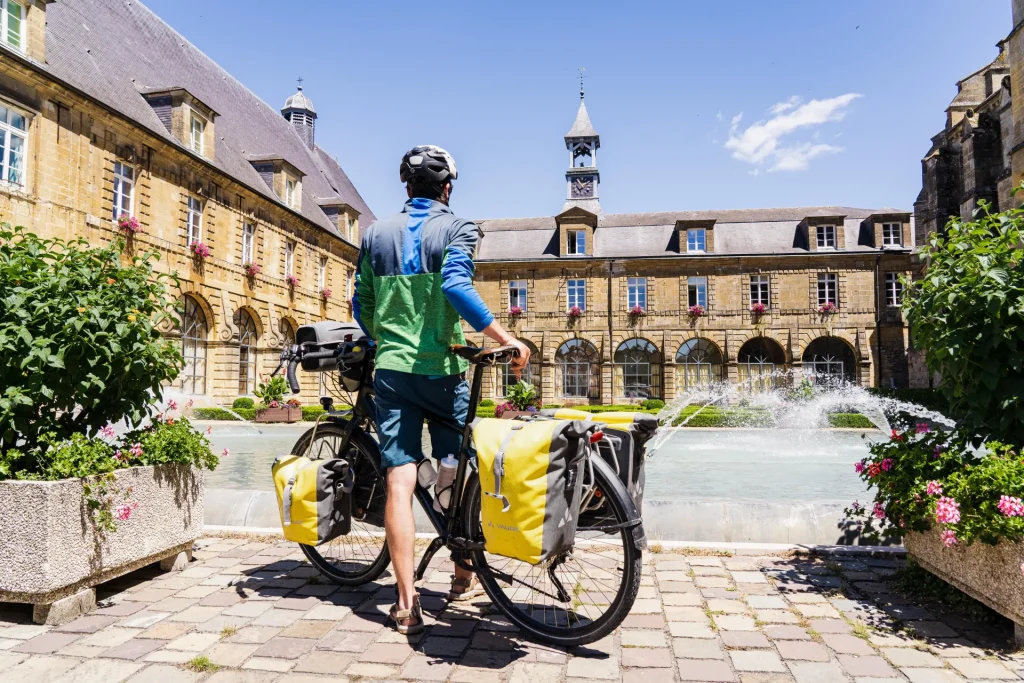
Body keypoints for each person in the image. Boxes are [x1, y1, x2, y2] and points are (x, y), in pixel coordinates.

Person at [353, 145, 530, 634]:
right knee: (455, 470)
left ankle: (406, 603)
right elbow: (455, 286)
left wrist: (385, 337)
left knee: (400, 481)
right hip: (445, 370)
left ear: (406, 188)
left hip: (392, 372)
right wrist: (504, 336)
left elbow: (361, 303)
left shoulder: (375, 234)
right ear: (447, 188)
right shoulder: (458, 227)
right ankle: (461, 575)